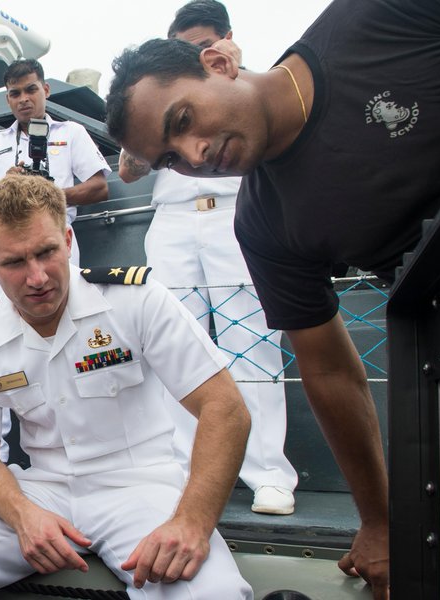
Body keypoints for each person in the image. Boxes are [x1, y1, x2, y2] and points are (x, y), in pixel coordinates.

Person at [104, 0, 440, 595]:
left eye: (183, 119)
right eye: (169, 158)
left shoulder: (379, 19)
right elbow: (328, 368)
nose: (192, 155)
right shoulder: (264, 225)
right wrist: (377, 522)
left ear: (218, 61)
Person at [0, 175, 252, 599]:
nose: (36, 277)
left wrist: (193, 522)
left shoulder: (135, 300)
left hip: (139, 485)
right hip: (43, 487)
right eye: (14, 262)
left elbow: (224, 407)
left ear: (68, 240)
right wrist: (23, 516)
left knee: (210, 593)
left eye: (46, 252)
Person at [116, 0, 297, 516]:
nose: (191, 53)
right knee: (172, 343)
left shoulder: (243, 85)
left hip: (235, 211)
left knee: (253, 337)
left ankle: (267, 473)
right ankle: (183, 466)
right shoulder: (161, 93)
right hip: (173, 219)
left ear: (223, 43)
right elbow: (129, 171)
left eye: (200, 44)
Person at [0, 59, 111, 302]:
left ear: (46, 90)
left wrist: (45, 194)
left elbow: (99, 188)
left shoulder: (71, 132)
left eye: (31, 89)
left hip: (53, 238)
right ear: (8, 99)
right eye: (15, 93)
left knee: (62, 309)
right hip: (4, 244)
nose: (24, 99)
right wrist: (4, 188)